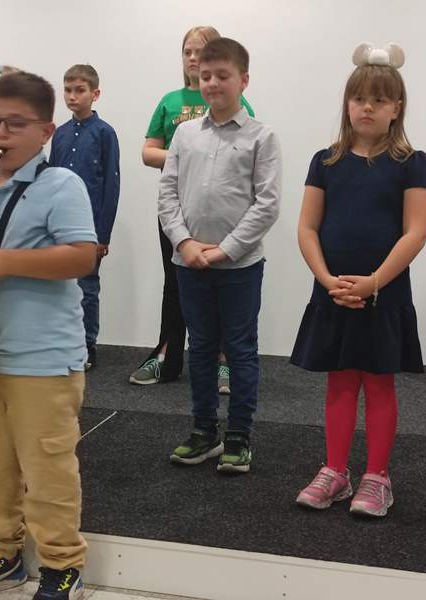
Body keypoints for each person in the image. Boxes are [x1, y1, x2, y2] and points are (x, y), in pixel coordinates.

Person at [0, 71, 97, 600]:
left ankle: (62, 564)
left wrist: (5, 262)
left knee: (48, 468)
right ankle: (0, 554)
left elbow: (82, 256)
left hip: (42, 355)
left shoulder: (62, 184)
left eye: (13, 124)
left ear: (46, 131)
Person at [291, 43, 426, 518]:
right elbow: (307, 228)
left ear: (396, 108)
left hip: (382, 293)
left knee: (378, 384)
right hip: (333, 291)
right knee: (339, 382)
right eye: (358, 98)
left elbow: (415, 232)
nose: (367, 107)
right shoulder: (325, 161)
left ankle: (377, 476)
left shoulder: (411, 162)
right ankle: (335, 471)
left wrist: (374, 282)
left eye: (379, 99)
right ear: (347, 104)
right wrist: (327, 279)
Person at [159, 37, 280, 474]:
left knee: (241, 350)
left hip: (239, 266)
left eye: (222, 76)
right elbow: (167, 193)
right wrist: (184, 243)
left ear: (243, 80)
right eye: (205, 75)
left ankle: (239, 434)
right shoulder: (185, 134)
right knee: (201, 347)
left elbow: (267, 204)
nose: (212, 83)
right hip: (189, 262)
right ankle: (204, 430)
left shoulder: (261, 137)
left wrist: (225, 249)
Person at [130, 25, 254, 391]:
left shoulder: (235, 101)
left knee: (224, 287)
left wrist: (192, 156)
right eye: (187, 51)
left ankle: (223, 360)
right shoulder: (170, 101)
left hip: (222, 215)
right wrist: (187, 154)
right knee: (175, 285)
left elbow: (243, 152)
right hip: (176, 214)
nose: (194, 58)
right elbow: (148, 152)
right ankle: (167, 355)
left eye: (201, 50)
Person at [50, 64, 120, 370]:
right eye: (68, 90)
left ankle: (87, 345)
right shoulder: (60, 134)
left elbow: (111, 185)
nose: (72, 96)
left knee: (87, 287)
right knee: (59, 286)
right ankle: (63, 342)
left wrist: (103, 234)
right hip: (59, 223)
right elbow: (50, 179)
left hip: (89, 226)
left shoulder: (105, 134)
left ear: (95, 94)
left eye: (80, 90)